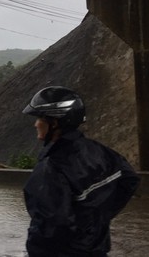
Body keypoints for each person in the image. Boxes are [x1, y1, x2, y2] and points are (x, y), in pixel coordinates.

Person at [21, 86, 140, 257]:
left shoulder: (51, 167)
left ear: (54, 123)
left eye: (40, 118)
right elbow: (129, 180)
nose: (35, 124)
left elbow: (50, 227)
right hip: (97, 248)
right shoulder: (100, 151)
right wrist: (99, 220)